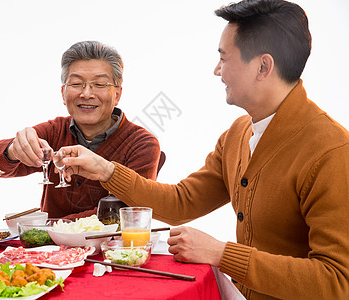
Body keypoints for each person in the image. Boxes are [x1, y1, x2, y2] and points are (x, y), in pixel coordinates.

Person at [59, 1, 349, 299]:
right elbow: (181, 203)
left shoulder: (332, 151)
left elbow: (337, 281)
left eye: (224, 58)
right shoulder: (238, 134)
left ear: (263, 67)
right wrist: (105, 169)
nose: (216, 70)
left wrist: (223, 254)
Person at [0, 41, 160, 220]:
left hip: (113, 247)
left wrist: (52, 228)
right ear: (63, 93)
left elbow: (128, 211)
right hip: (48, 248)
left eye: (99, 84)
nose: (86, 94)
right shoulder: (54, 132)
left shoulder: (142, 144)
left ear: (117, 94)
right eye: (76, 84)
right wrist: (13, 150)